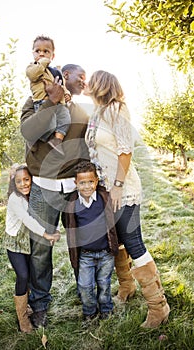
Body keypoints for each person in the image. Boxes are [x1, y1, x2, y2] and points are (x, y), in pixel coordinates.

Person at [84, 70, 170, 328]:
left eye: (91, 81)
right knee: (117, 239)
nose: (86, 84)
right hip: (106, 188)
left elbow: (125, 151)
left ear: (101, 85)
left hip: (123, 187)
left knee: (133, 241)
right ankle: (127, 287)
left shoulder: (116, 110)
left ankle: (158, 307)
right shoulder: (97, 114)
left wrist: (119, 185)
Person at [20, 64, 89, 328]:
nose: (84, 81)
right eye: (79, 76)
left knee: (81, 246)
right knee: (40, 250)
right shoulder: (35, 103)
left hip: (73, 190)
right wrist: (51, 101)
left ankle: (87, 298)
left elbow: (85, 148)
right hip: (43, 189)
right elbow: (29, 133)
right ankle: (39, 306)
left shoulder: (80, 112)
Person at [5, 164, 60, 333]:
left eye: (27, 180)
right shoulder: (15, 199)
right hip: (15, 244)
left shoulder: (33, 197)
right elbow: (27, 220)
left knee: (31, 272)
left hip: (28, 242)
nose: (24, 184)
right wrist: (46, 235)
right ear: (14, 183)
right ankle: (22, 319)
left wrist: (53, 229)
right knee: (22, 275)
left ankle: (30, 305)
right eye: (19, 181)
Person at [64, 161, 118, 321]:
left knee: (104, 284)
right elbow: (68, 225)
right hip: (85, 255)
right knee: (85, 286)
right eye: (82, 183)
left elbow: (114, 223)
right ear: (75, 183)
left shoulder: (104, 198)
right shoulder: (72, 204)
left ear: (96, 180)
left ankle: (106, 309)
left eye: (90, 182)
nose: (87, 186)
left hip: (106, 253)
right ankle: (89, 312)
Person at [26, 35, 71, 155]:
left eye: (46, 51)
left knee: (66, 119)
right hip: (42, 102)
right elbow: (33, 75)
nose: (41, 54)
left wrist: (66, 93)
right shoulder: (33, 67)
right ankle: (34, 138)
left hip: (59, 104)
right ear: (33, 53)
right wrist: (43, 63)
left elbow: (62, 85)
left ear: (53, 55)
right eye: (38, 51)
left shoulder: (56, 71)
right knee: (48, 124)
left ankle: (57, 140)